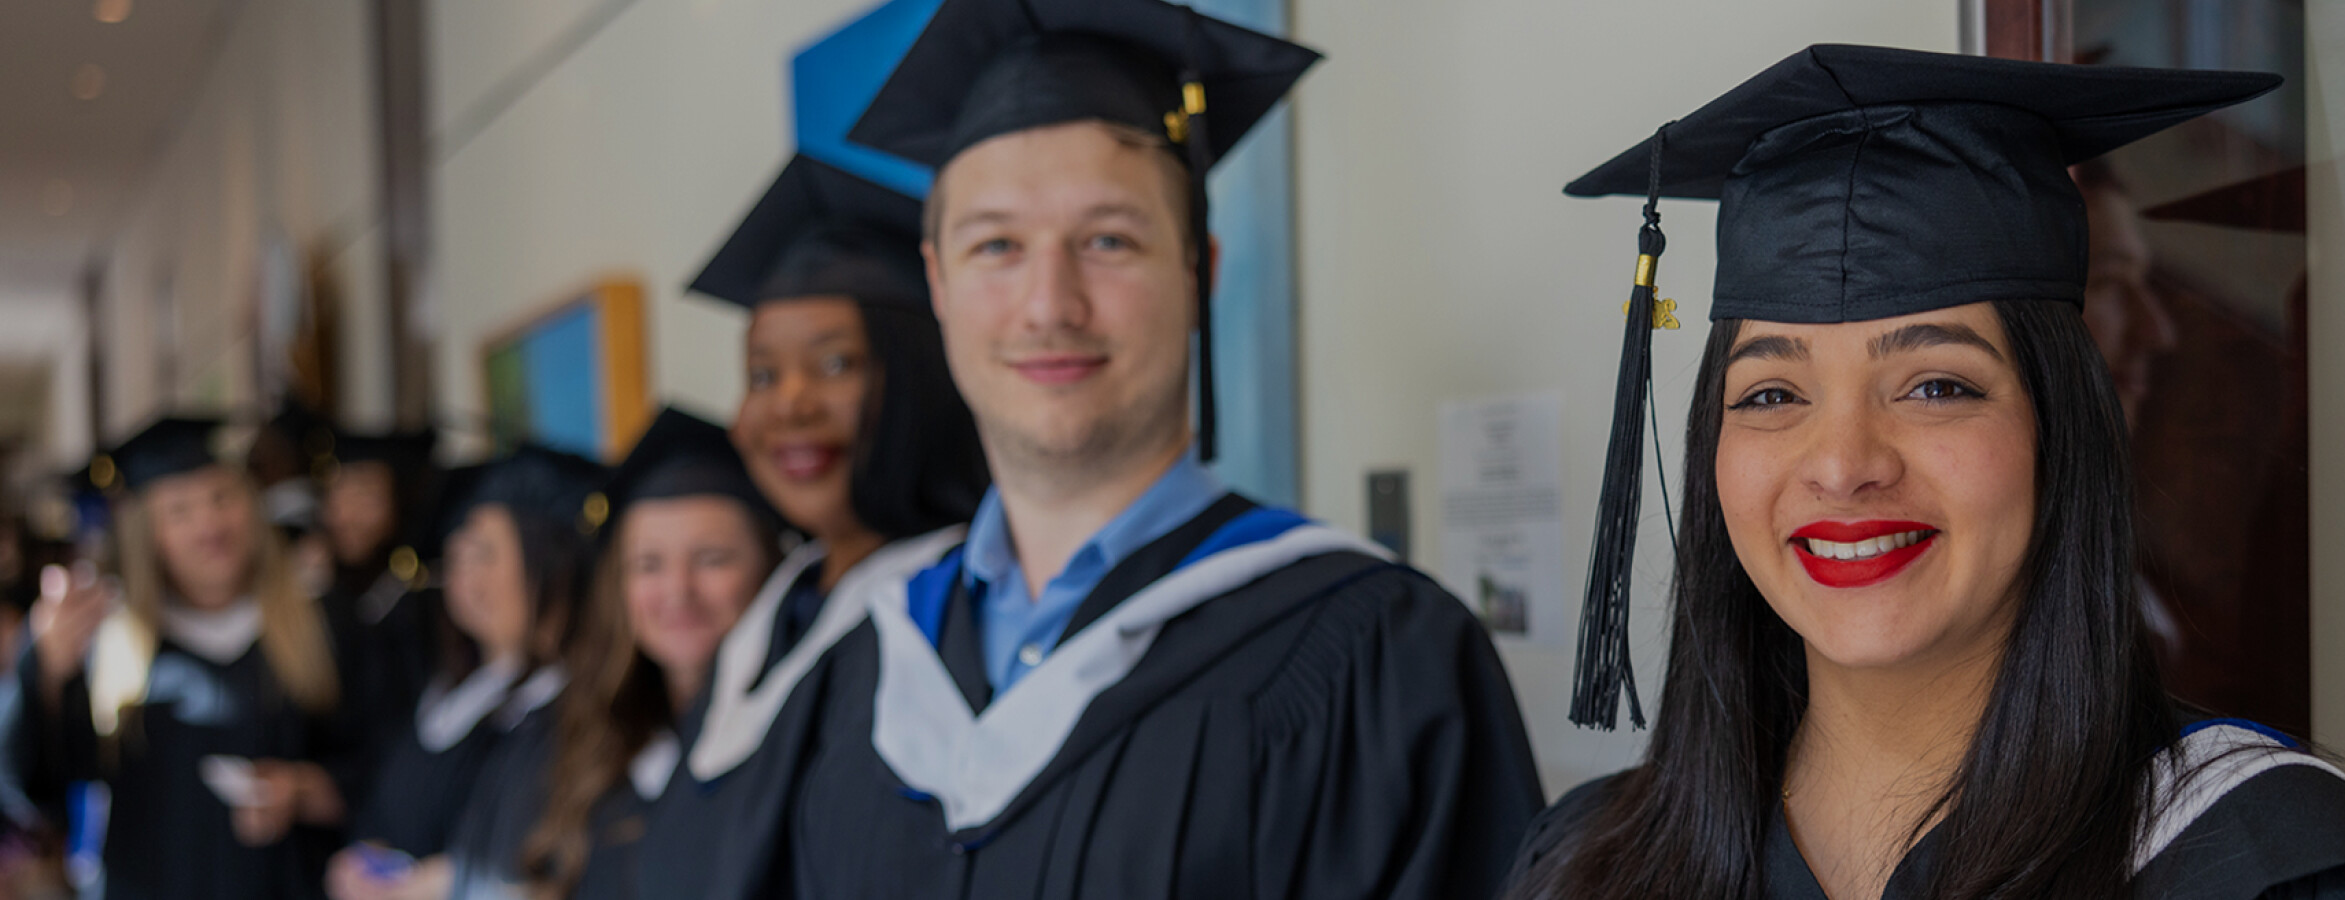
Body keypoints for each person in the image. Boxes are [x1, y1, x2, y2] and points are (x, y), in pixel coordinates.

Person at [1499, 47, 2345, 900]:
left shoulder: (2255, 865)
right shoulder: (1591, 861)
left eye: (1936, 384)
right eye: (1772, 395)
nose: (1841, 465)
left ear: (2059, 426)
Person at [776, 1, 1544, 896]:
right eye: (996, 246)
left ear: (1198, 271)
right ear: (938, 282)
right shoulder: (867, 660)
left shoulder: (1386, 654)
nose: (1049, 304)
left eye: (1108, 239)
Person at [625, 154, 989, 900]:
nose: (789, 404)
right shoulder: (778, 611)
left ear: (917, 378)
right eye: (762, 375)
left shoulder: (954, 610)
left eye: (833, 364)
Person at [431, 410, 784, 900]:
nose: (677, 592)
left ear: (772, 565)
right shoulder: (594, 733)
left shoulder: (798, 741)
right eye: (648, 564)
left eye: (712, 559)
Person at [10, 417, 354, 899]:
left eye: (221, 498)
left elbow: (376, 765)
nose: (209, 525)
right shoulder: (109, 645)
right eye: (180, 511)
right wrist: (43, 674)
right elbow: (39, 789)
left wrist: (303, 789)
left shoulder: (321, 624)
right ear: (146, 533)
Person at [323, 444, 605, 900]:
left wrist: (445, 884)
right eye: (457, 560)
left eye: (485, 556)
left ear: (554, 563)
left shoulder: (582, 710)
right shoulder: (452, 691)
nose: (466, 581)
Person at [313, 429, 443, 748]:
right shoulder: (321, 595)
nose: (345, 515)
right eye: (337, 494)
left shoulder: (424, 604)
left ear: (401, 500)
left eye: (365, 496)